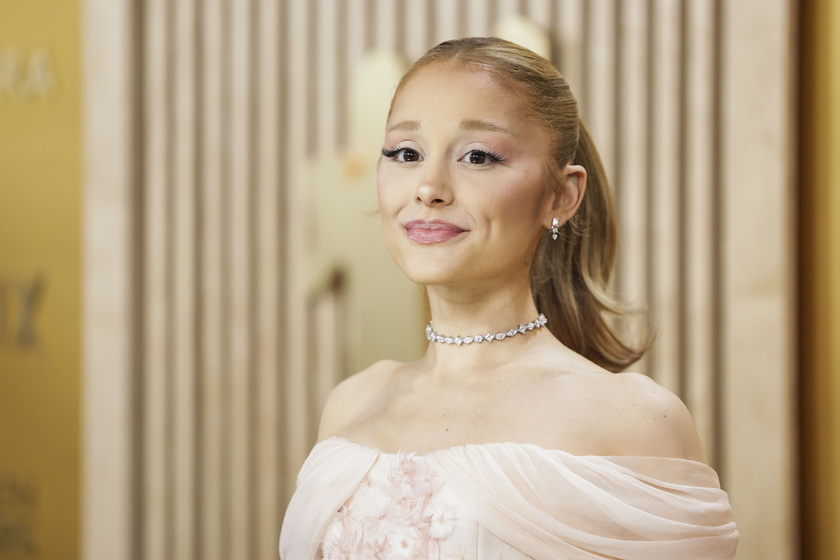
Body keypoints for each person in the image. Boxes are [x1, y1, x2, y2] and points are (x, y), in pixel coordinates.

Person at [280, 37, 738, 560]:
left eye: (478, 156)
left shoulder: (635, 420)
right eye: (406, 153)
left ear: (562, 196)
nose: (429, 187)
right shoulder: (351, 405)